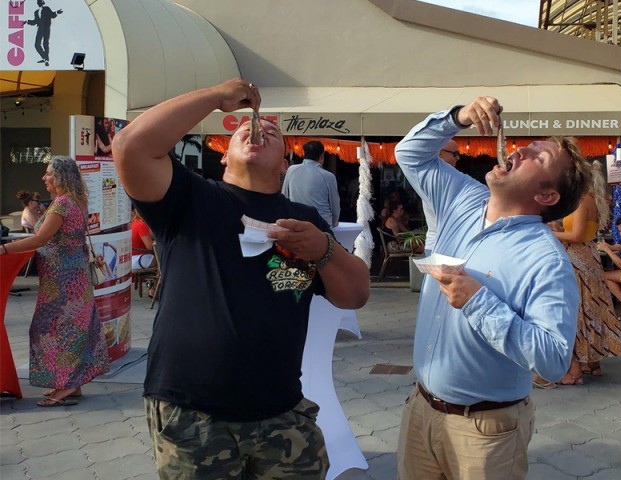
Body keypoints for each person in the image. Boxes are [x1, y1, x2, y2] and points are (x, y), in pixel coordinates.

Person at [112, 78, 370, 479]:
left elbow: (355, 293)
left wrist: (323, 249)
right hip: (191, 413)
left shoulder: (304, 220)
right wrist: (215, 98)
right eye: (246, 129)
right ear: (225, 157)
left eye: (271, 131)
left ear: (285, 165)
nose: (258, 128)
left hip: (281, 411)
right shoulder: (191, 198)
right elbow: (131, 147)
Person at [394, 96, 591, 480]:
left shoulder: (546, 260)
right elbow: (410, 154)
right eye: (527, 146)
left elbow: (554, 360)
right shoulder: (463, 198)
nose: (519, 151)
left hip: (486, 431)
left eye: (539, 157)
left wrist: (478, 302)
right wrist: (458, 118)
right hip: (420, 410)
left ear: (547, 196)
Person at [0, 156, 109, 406]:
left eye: (48, 173)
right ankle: (71, 385)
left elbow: (40, 240)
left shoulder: (61, 204)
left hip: (63, 281)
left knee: (51, 330)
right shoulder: (77, 201)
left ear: (60, 176)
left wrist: (5, 250)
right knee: (73, 329)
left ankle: (67, 386)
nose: (44, 177)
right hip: (74, 277)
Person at [534, 161, 621, 388]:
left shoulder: (580, 201)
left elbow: (576, 235)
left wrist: (548, 232)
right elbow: (578, 232)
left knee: (578, 309)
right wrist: (559, 230)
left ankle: (578, 363)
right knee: (590, 307)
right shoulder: (589, 200)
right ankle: (591, 362)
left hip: (577, 258)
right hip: (586, 257)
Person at [281, 140, 341, 227]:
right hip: (322, 224)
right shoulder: (329, 176)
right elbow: (335, 207)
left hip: (297, 222)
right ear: (322, 156)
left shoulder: (291, 170)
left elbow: (284, 197)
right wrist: (334, 223)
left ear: (304, 154)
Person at [424, 140, 461, 254]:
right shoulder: (441, 178)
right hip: (443, 244)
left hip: (437, 242)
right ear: (440, 153)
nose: (458, 158)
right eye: (455, 153)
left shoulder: (433, 175)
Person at [23, 0, 63, 67]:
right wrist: (27, 21)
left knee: (45, 43)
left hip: (46, 28)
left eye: (40, 2)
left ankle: (46, 59)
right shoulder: (36, 12)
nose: (39, 3)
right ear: (37, 3)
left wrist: (57, 12)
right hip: (40, 29)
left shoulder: (46, 8)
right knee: (37, 44)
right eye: (38, 2)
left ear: (43, 3)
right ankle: (45, 58)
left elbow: (52, 15)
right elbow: (35, 22)